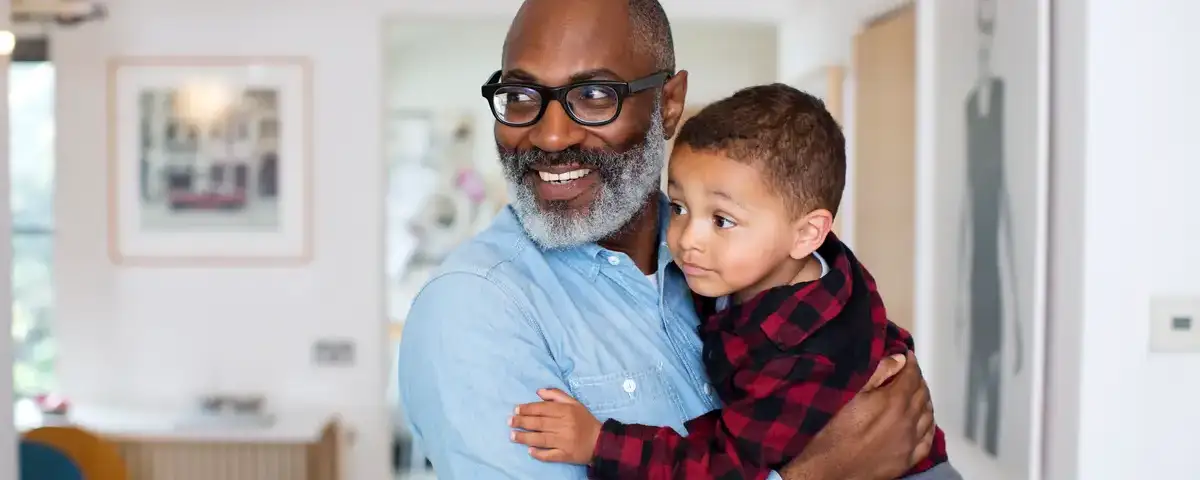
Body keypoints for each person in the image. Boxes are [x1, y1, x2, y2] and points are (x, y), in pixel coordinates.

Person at [397, 1, 936, 478]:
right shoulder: (473, 310)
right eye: (520, 95)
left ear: (669, 104)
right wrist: (822, 474)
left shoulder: (742, 262)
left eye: (594, 94)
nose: (551, 135)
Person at [508, 85, 957, 479]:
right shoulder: (789, 268)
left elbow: (723, 468)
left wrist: (599, 443)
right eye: (679, 208)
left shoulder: (804, 356)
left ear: (807, 233)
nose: (687, 239)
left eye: (722, 220)